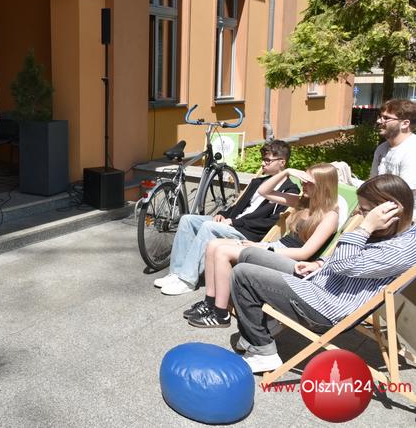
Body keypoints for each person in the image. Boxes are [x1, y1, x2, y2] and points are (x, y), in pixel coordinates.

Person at [230, 174, 416, 373]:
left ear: (392, 210)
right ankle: (265, 325)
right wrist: (320, 263)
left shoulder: (399, 249)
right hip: (320, 282)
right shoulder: (392, 231)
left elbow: (344, 264)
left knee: (243, 274)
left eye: (365, 211)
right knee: (250, 254)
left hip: (325, 307)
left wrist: (366, 227)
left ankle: (263, 352)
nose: (361, 215)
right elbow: (351, 261)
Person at [185, 163, 340, 328]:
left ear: (323, 185)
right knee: (213, 245)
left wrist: (264, 248)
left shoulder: (330, 216)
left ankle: (221, 314)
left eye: (309, 182)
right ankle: (210, 303)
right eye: (303, 180)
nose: (303, 184)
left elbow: (304, 253)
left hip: (289, 261)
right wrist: (287, 172)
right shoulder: (303, 203)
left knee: (223, 252)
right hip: (274, 247)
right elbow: (264, 191)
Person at [156, 140, 300, 295]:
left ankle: (187, 280)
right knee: (187, 220)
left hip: (248, 232)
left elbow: (270, 223)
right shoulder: (258, 182)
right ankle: (176, 272)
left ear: (282, 162)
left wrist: (234, 222)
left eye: (267, 160)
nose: (262, 163)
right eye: (262, 159)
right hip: (232, 223)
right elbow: (237, 206)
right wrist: (223, 214)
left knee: (209, 227)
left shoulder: (289, 191)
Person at [370, 99, 416, 216]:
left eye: (386, 118)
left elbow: (404, 196)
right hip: (382, 210)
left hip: (406, 217)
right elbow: (372, 184)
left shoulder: (412, 151)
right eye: (380, 116)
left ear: (405, 123)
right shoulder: (381, 148)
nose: (379, 121)